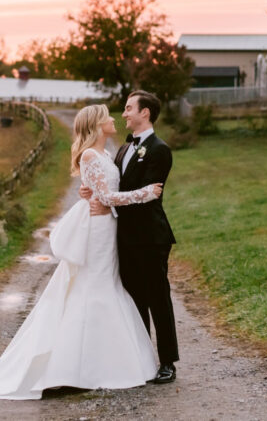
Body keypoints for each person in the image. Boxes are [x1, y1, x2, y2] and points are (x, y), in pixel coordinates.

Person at [0, 104, 163, 400]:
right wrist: (146, 193)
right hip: (96, 230)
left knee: (106, 286)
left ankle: (100, 365)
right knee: (93, 288)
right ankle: (74, 368)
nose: (114, 118)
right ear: (97, 124)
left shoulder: (108, 154)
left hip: (106, 228)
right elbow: (108, 196)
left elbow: (103, 192)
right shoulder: (88, 154)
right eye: (108, 115)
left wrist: (93, 193)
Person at [80, 89, 178, 384]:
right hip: (122, 236)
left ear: (144, 113)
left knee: (158, 297)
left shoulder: (160, 150)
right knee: (134, 300)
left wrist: (108, 199)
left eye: (128, 108)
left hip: (150, 236)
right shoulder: (122, 149)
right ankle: (141, 359)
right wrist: (91, 192)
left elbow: (149, 194)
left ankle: (168, 362)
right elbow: (108, 184)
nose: (124, 114)